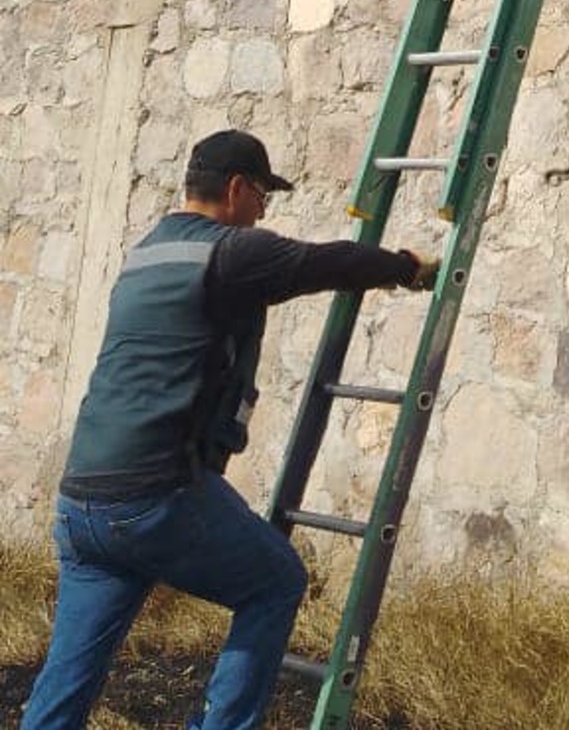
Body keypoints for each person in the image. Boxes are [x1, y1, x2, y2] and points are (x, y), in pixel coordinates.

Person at [20, 127, 439, 730]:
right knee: (276, 582)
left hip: (82, 501)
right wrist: (405, 267)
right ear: (237, 188)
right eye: (264, 193)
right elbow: (329, 262)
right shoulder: (233, 252)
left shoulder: (148, 250)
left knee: (67, 679)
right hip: (152, 497)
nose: (266, 207)